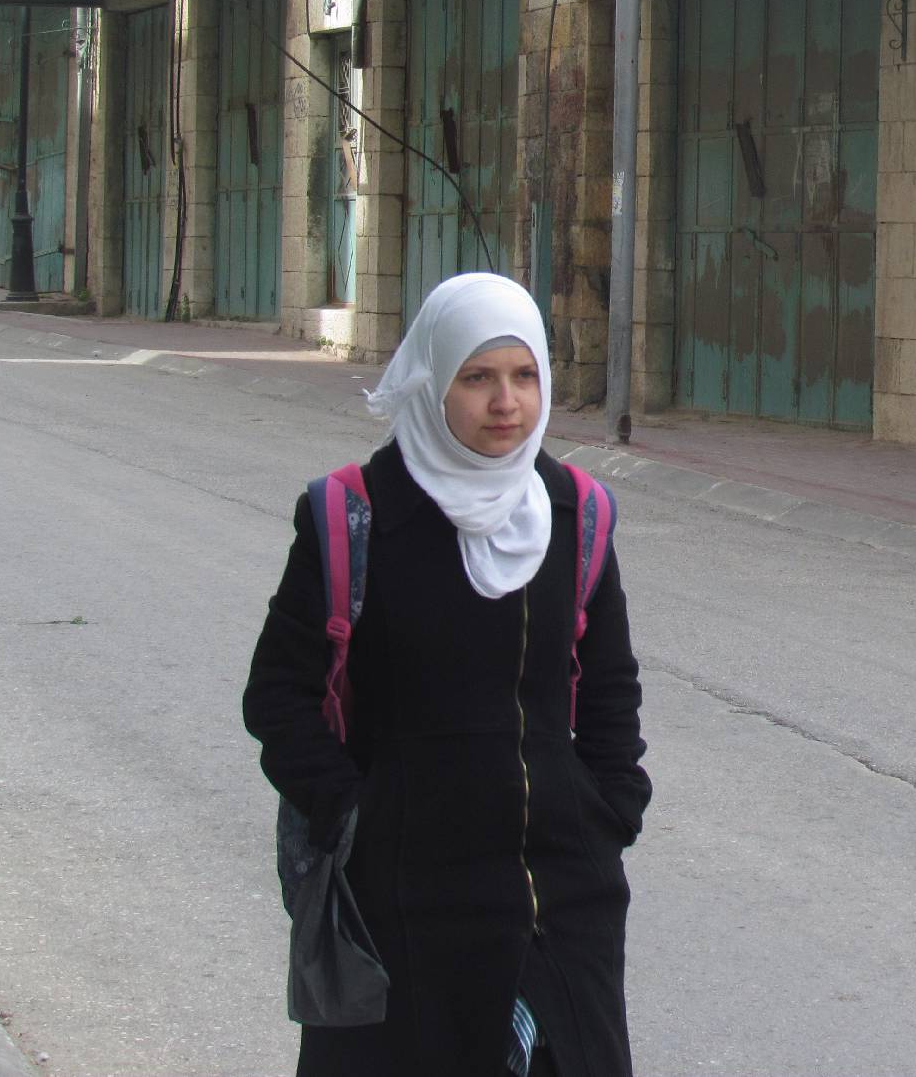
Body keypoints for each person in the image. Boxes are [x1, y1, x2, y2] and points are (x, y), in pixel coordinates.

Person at [244, 273, 650, 1077]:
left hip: (558, 903)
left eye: (524, 375)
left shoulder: (574, 516)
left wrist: (607, 811)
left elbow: (610, 694)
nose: (507, 403)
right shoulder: (358, 514)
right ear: (434, 382)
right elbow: (278, 698)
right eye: (478, 378)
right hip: (403, 907)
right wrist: (355, 814)